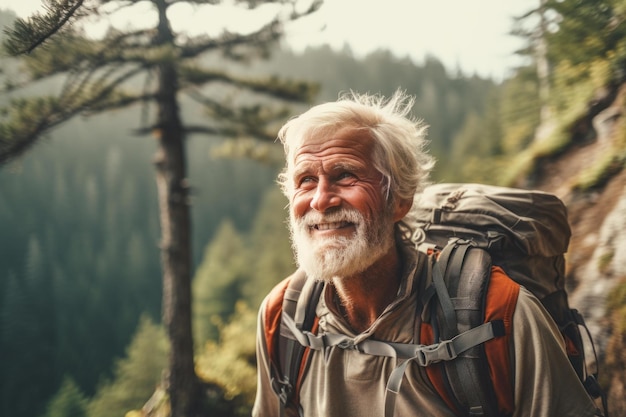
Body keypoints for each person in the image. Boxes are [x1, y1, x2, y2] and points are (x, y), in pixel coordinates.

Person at [252, 90, 602, 416]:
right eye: (306, 180)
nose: (320, 200)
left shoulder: (498, 315)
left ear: (399, 199)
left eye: (345, 175)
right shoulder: (283, 317)